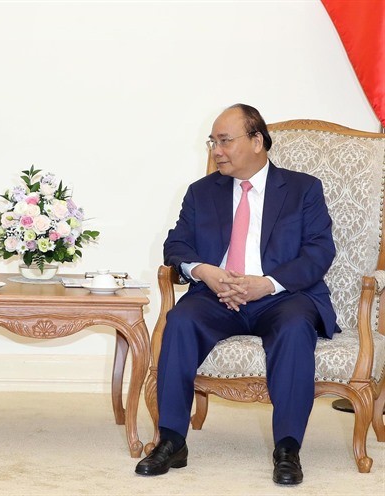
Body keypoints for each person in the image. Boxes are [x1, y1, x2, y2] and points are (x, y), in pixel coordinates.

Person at [135, 104, 337, 485]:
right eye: (213, 142)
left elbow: (319, 251)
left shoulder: (302, 188)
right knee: (179, 321)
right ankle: (172, 440)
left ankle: (288, 449)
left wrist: (268, 283)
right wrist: (205, 272)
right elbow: (176, 245)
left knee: (296, 328)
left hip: (281, 296)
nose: (216, 151)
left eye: (225, 141)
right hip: (217, 296)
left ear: (257, 141)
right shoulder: (201, 192)